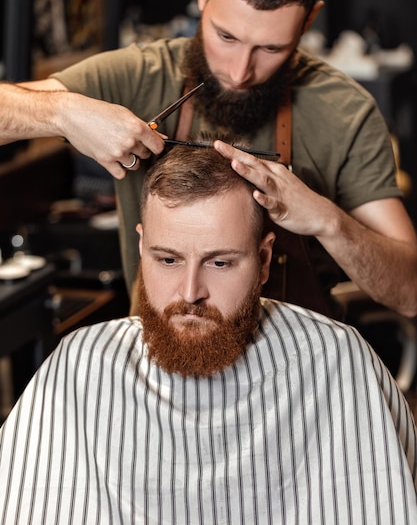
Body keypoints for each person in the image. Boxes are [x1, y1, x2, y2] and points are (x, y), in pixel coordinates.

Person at [1, 0, 417, 318]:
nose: (239, 72)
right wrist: (62, 111)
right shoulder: (140, 76)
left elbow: (410, 292)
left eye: (271, 49)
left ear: (309, 20)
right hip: (162, 364)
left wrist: (329, 221)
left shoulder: (345, 113)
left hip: (298, 377)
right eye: (226, 36)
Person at [0, 143, 416, 524]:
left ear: (264, 259)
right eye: (168, 259)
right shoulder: (79, 367)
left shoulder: (336, 361)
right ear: (142, 249)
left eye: (220, 263)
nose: (190, 292)